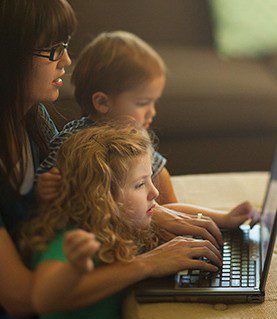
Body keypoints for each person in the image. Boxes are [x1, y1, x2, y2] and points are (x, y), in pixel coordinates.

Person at [37, 31, 258, 235]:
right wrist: (44, 187)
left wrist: (225, 218)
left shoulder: (138, 144)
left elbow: (168, 208)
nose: (152, 112)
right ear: (102, 102)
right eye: (143, 103)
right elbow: (41, 195)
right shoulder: (72, 143)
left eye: (154, 102)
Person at [22, 122, 223, 319]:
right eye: (140, 184)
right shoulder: (75, 236)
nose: (155, 192)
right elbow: (42, 300)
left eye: (150, 179)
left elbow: (171, 212)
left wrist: (225, 218)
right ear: (101, 197)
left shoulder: (123, 223)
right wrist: (74, 270)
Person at [0, 0, 100, 319]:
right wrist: (144, 265)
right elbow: (22, 298)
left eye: (65, 46)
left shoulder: (34, 117)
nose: (67, 61)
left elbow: (79, 194)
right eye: (52, 49)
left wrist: (157, 218)